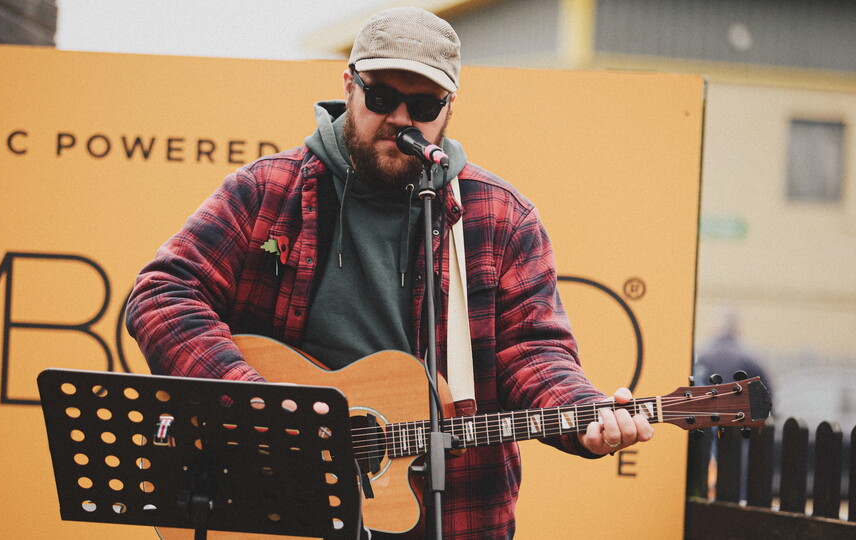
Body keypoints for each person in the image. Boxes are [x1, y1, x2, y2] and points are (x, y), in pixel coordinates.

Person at [126, 7, 653, 539]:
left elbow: (533, 350)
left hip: (455, 511)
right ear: (349, 86)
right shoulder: (267, 189)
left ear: (448, 108)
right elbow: (161, 293)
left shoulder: (501, 216)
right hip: (277, 501)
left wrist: (583, 413)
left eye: (423, 105)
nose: (401, 118)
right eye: (381, 98)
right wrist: (259, 401)